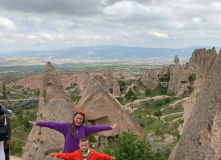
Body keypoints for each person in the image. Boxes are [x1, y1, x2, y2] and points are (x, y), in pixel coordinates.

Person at [29, 110, 117, 153]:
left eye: (81, 119)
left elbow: (97, 128)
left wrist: (110, 127)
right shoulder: (66, 127)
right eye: (77, 118)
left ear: (83, 120)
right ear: (74, 118)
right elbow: (52, 124)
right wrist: (38, 123)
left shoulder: (85, 129)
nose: (79, 120)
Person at [50, 136, 116, 160]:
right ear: (79, 145)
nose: (84, 147)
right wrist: (57, 155)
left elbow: (101, 156)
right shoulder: (76, 154)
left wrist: (110, 158)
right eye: (82, 145)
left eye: (85, 145)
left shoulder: (92, 153)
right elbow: (67, 156)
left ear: (88, 145)